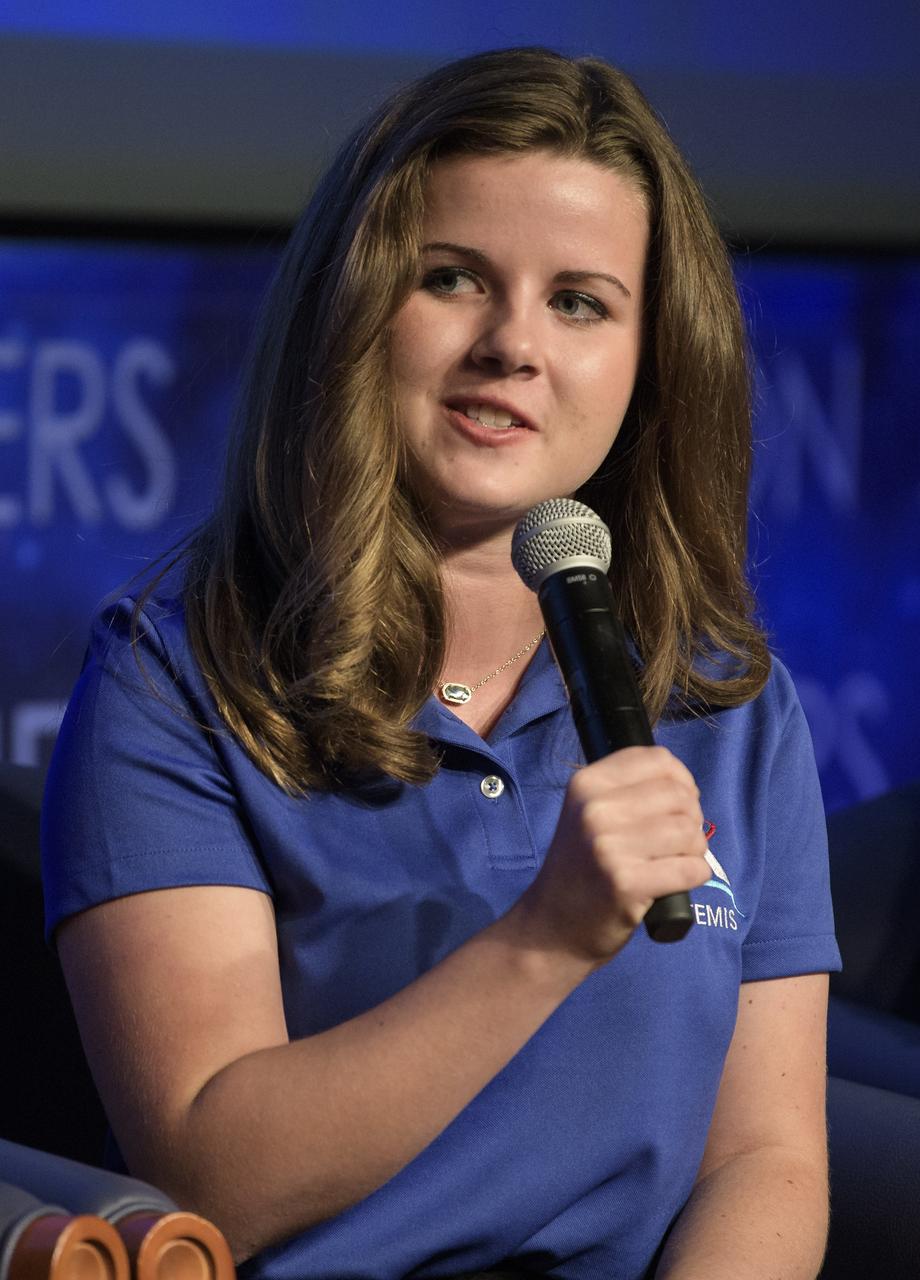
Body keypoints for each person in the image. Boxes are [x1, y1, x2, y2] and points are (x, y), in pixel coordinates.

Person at [42, 47, 840, 1280]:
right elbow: (208, 1172)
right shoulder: (178, 677)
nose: (511, 344)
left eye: (579, 300)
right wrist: (549, 933)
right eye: (453, 278)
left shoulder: (724, 697)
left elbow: (764, 1159)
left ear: (647, 357)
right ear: (354, 305)